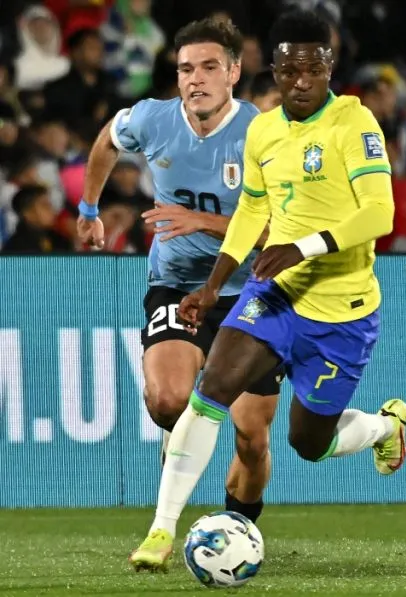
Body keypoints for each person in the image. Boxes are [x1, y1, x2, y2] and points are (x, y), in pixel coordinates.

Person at [124, 9, 406, 572]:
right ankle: (160, 532)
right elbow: (253, 208)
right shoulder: (265, 129)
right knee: (212, 390)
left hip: (342, 311)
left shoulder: (355, 124)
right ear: (272, 69)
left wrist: (304, 247)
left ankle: (385, 425)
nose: (300, 80)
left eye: (313, 67)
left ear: (330, 66)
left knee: (310, 442)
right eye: (288, 68)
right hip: (275, 297)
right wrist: (211, 287)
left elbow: (380, 212)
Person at [75, 16, 282, 567]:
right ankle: (170, 506)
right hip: (177, 283)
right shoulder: (152, 119)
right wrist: (89, 209)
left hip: (251, 293)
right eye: (186, 68)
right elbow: (105, 141)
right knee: (168, 402)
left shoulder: (266, 133)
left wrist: (201, 221)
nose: (195, 79)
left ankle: (238, 530)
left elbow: (284, 229)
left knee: (251, 436)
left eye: (209, 67)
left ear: (235, 72)